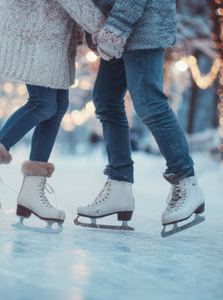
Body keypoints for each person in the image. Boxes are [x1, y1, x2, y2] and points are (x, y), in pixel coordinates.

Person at [0, 0, 105, 230]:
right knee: (43, 103)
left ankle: (32, 191)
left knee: (57, 106)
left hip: (53, 28)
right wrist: (104, 28)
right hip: (37, 27)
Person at [75, 0, 205, 232]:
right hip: (117, 26)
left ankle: (187, 182)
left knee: (148, 102)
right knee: (106, 100)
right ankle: (119, 186)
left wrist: (116, 26)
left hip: (142, 23)